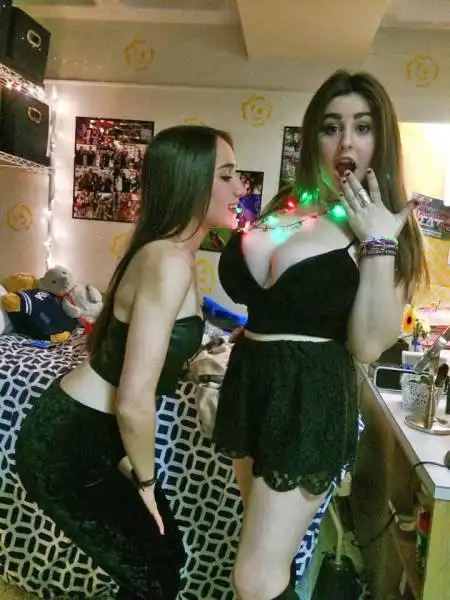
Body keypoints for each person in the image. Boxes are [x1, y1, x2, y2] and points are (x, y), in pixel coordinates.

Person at [213, 70, 429, 600]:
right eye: (332, 127)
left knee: (253, 579)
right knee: (269, 564)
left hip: (309, 397)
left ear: (382, 140)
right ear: (314, 137)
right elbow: (268, 297)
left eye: (363, 127)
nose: (346, 142)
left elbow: (368, 345)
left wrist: (377, 244)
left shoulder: (384, 227)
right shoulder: (290, 205)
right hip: (253, 383)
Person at [15, 125, 245, 600]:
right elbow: (134, 401)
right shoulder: (167, 261)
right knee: (151, 576)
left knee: (163, 559)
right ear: (190, 181)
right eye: (227, 175)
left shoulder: (171, 253)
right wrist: (146, 480)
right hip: (70, 441)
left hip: (96, 434)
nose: (241, 188)